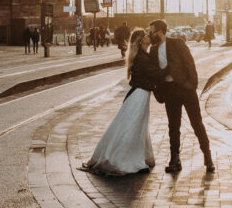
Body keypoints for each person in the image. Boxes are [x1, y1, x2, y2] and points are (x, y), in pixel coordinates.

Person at [82, 28, 162, 176]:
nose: (148, 36)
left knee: (133, 123)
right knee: (133, 125)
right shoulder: (143, 57)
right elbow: (154, 73)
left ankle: (141, 155)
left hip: (138, 93)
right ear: (141, 41)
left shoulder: (141, 55)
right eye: (145, 35)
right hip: (140, 94)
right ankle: (124, 158)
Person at [148, 19, 213, 173]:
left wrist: (192, 85)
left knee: (197, 123)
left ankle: (208, 156)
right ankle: (175, 159)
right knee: (173, 126)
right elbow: (154, 72)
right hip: (169, 91)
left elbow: (189, 63)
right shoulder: (153, 50)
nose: (150, 34)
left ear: (160, 31)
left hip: (185, 89)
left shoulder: (177, 43)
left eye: (152, 31)